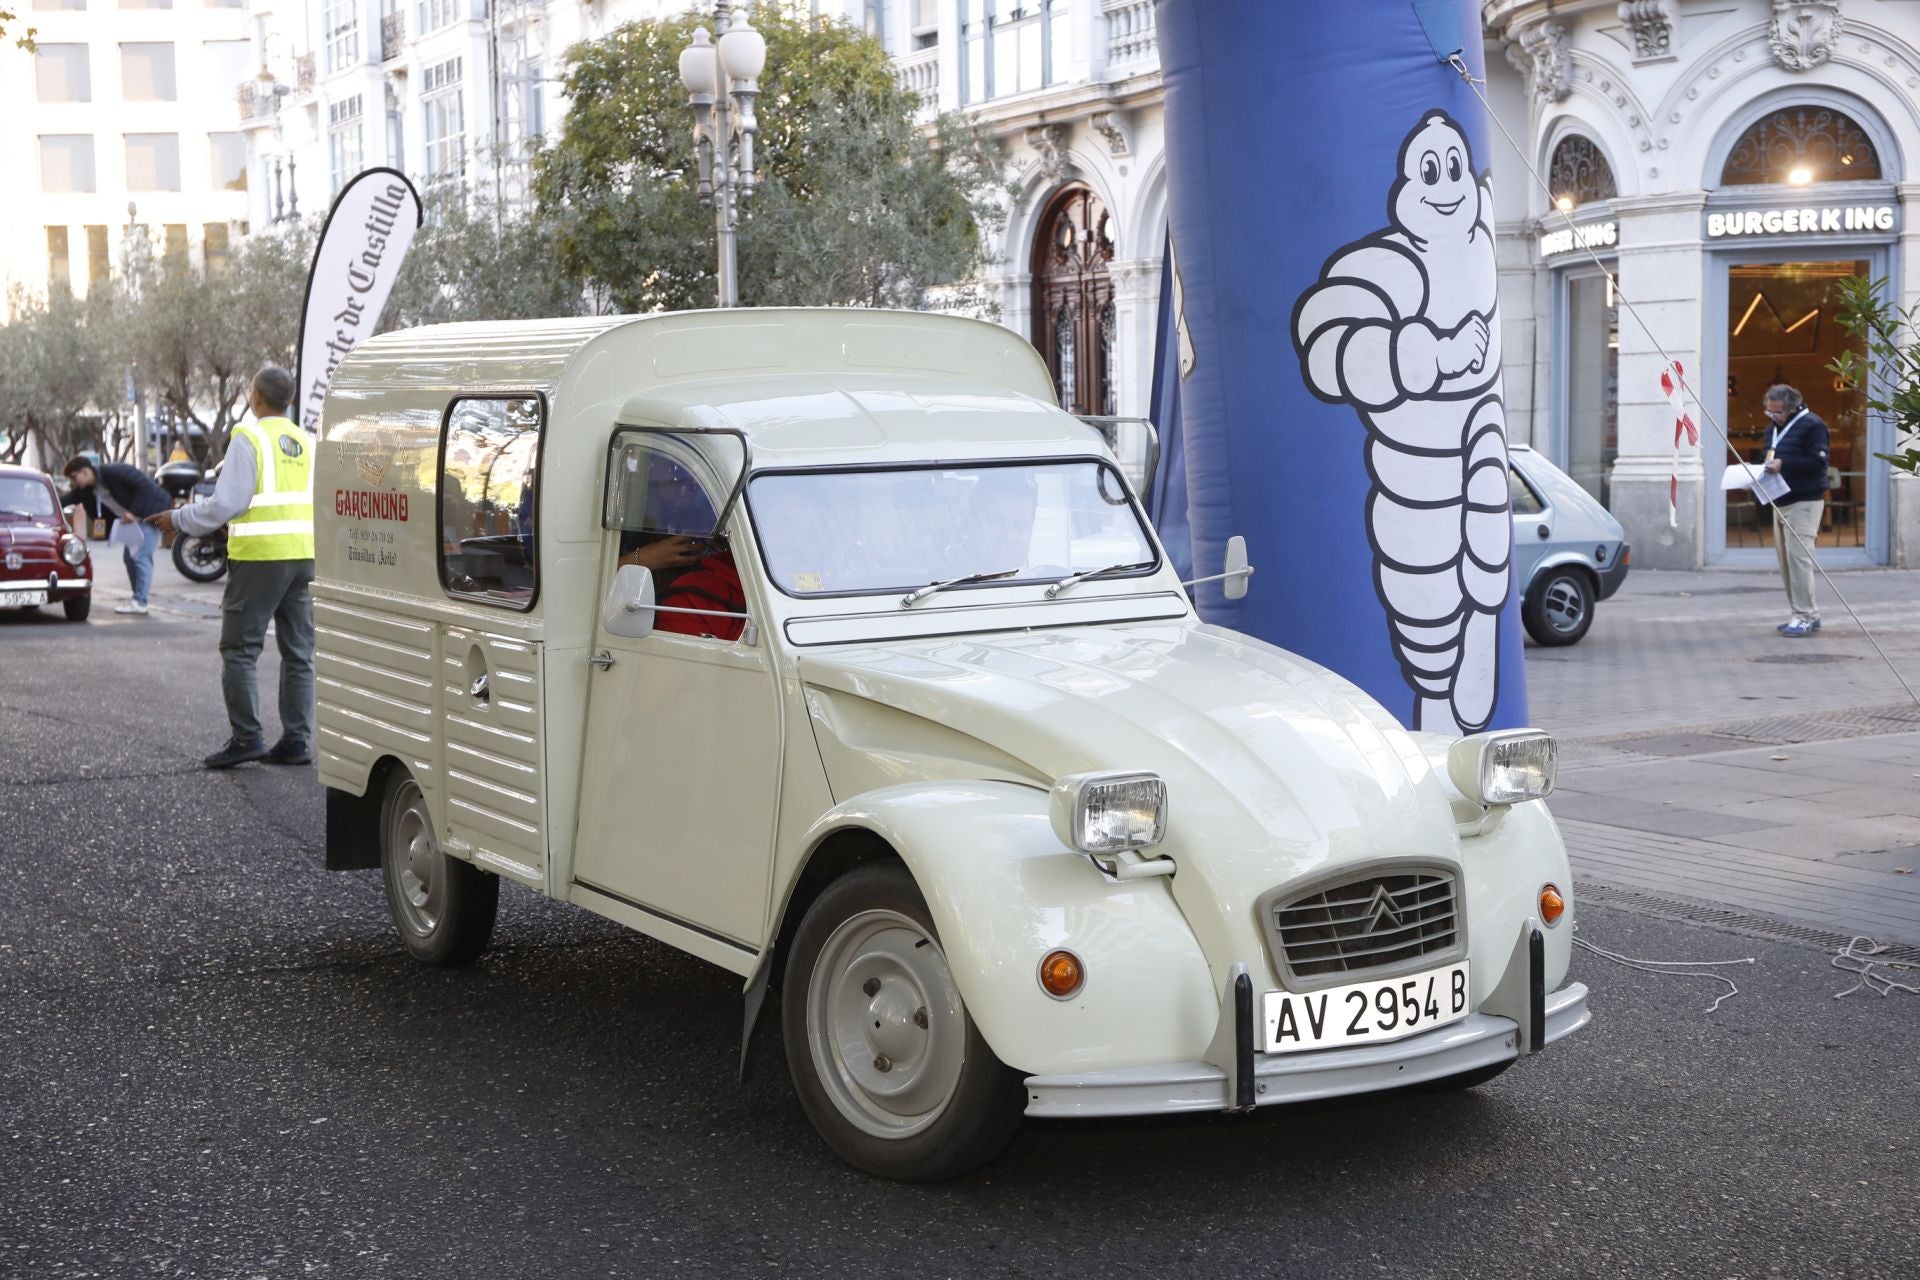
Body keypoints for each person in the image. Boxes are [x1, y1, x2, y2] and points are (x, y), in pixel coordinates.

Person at [148, 366, 317, 768]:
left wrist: (179, 518)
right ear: (288, 400)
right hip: (305, 556)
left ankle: (248, 738)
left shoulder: (249, 436)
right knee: (299, 652)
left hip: (261, 558)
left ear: (255, 396)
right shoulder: (305, 440)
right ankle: (295, 742)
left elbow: (226, 505)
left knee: (239, 649)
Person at [1758, 383, 1829, 638]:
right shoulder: (1772, 431)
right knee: (1787, 562)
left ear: (1792, 408)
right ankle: (1803, 612)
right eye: (1769, 412)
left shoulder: (1812, 425)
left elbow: (1818, 462)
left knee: (1800, 560)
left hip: (1804, 501)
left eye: (1777, 412)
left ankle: (1805, 615)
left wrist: (1783, 464)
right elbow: (1769, 457)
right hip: (1780, 500)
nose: (1772, 417)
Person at [58, 455, 170, 615]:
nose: (75, 482)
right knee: (130, 558)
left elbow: (142, 485)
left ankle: (140, 601)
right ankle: (138, 599)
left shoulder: (114, 471)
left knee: (140, 556)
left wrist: (133, 511)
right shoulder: (88, 490)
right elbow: (66, 500)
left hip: (152, 513)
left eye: (75, 477)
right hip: (134, 522)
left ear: (85, 471)